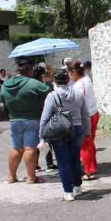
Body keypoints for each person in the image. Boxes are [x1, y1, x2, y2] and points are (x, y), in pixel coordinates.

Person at [40, 70, 91, 201]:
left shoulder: (52, 96)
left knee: (63, 162)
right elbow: (85, 114)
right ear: (68, 80)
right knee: (75, 159)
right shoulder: (78, 94)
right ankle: (78, 186)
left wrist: (41, 136)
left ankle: (68, 191)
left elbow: (45, 117)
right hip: (78, 128)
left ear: (55, 81)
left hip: (60, 130)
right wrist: (87, 131)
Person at [0, 59, 50, 184]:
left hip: (14, 120)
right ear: (30, 70)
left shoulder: (5, 84)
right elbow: (48, 92)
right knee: (29, 148)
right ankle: (31, 177)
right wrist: (48, 79)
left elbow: (2, 98)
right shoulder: (33, 83)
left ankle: (11, 176)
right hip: (32, 119)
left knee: (16, 148)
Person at [70, 61, 99, 180]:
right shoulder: (87, 79)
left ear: (73, 72)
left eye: (69, 73)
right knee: (90, 142)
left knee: (84, 145)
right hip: (93, 113)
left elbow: (77, 103)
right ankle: (92, 166)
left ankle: (88, 171)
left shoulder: (78, 86)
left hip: (85, 117)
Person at [33, 63, 56, 171]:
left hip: (35, 114)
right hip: (46, 114)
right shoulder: (46, 86)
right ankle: (49, 164)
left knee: (37, 139)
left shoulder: (31, 85)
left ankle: (36, 164)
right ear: (42, 74)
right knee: (48, 139)